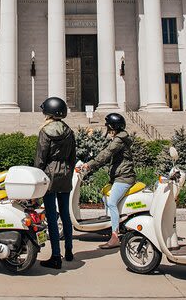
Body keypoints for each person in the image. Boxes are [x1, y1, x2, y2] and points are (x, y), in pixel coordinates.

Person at [82, 113, 135, 249]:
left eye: (108, 126)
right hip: (120, 177)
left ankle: (115, 237)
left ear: (113, 127)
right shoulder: (119, 138)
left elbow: (106, 153)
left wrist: (90, 164)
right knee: (106, 198)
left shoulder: (119, 140)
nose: (107, 129)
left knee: (111, 202)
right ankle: (115, 225)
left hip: (124, 177)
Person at [34, 96, 76, 269]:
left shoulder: (45, 131)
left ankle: (55, 256)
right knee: (65, 214)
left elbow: (40, 158)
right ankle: (69, 251)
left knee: (51, 216)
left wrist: (37, 175)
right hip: (65, 174)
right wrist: (68, 171)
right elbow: (73, 157)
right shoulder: (69, 131)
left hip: (49, 176)